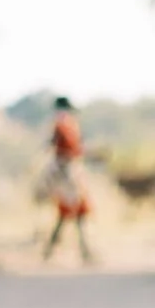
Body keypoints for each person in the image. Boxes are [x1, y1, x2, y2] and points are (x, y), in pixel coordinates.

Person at [39, 97, 94, 264]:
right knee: (72, 210)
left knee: (73, 212)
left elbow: (78, 147)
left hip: (72, 168)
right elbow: (56, 145)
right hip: (65, 170)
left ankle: (52, 250)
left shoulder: (71, 125)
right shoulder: (61, 126)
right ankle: (82, 252)